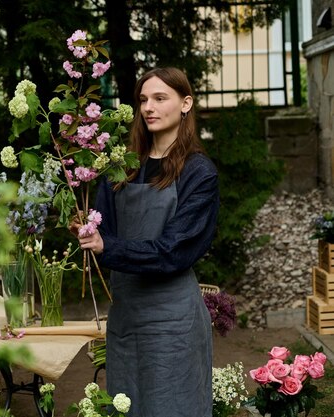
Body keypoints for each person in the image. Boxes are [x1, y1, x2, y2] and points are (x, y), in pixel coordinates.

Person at [76, 67, 219, 417]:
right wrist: (86, 229)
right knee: (128, 406)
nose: (148, 108)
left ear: (186, 103)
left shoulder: (199, 173)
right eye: (143, 100)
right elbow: (102, 229)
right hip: (126, 318)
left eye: (160, 98)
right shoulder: (122, 167)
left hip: (173, 321)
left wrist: (107, 247)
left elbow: (174, 251)